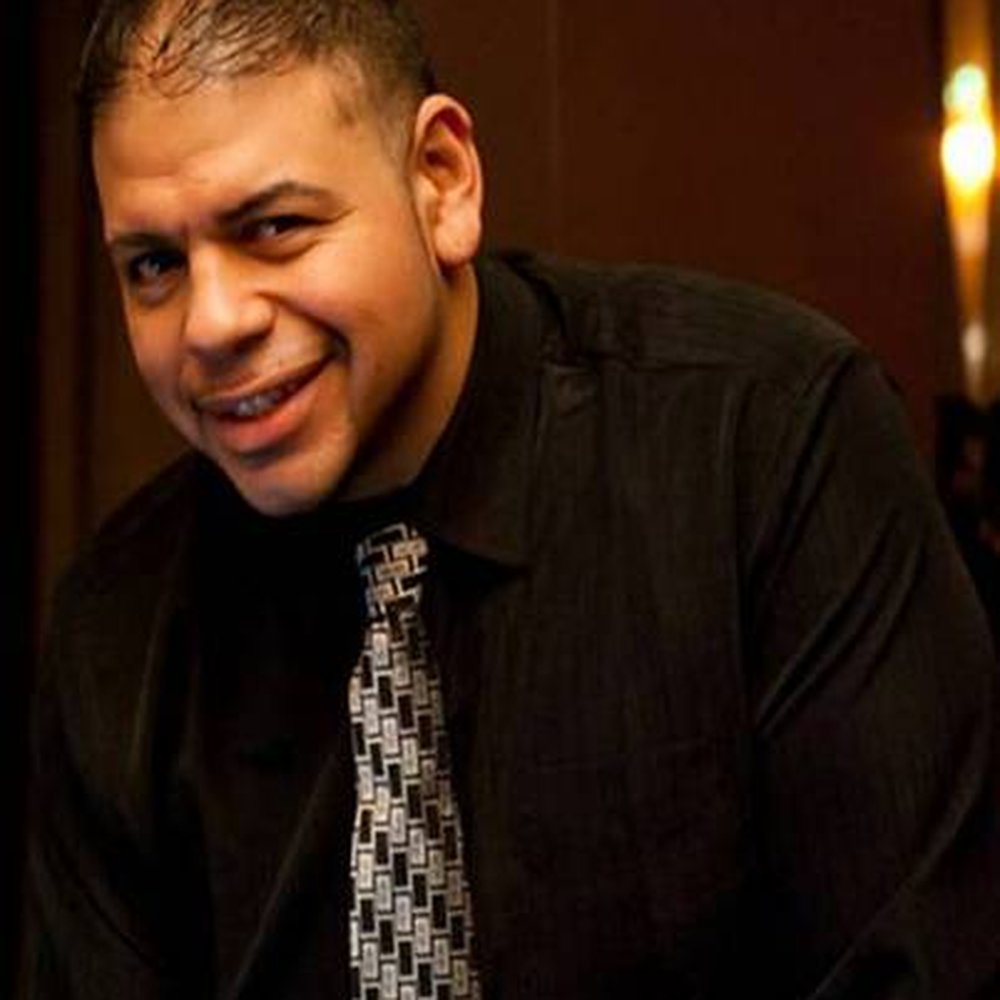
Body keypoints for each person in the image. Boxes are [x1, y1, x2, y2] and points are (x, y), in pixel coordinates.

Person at [21, 0, 1000, 997]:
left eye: (275, 227)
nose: (211, 323)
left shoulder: (762, 440)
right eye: (155, 265)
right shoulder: (119, 626)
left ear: (441, 179)